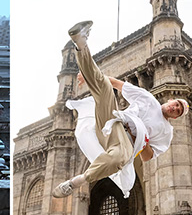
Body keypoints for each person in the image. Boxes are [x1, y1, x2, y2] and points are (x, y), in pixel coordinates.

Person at [53, 21, 189, 199]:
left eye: (178, 111)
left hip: (127, 143)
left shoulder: (166, 132)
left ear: (176, 117)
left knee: (117, 160)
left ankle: (76, 181)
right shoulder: (148, 98)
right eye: (176, 104)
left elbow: (147, 157)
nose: (175, 108)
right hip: (115, 121)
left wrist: (144, 141)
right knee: (105, 89)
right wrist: (89, 78)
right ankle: (81, 43)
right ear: (171, 100)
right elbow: (116, 83)